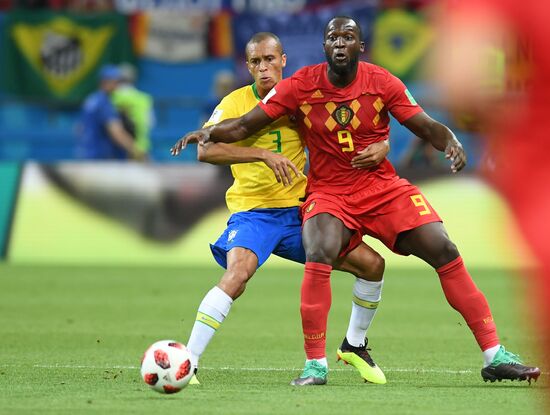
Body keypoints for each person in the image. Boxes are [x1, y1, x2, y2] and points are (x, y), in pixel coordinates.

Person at [171, 17, 541, 386]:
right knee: (316, 251)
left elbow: (423, 124)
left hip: (380, 188)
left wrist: (449, 141)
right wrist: (206, 132)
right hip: (322, 194)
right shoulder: (298, 88)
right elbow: (241, 127)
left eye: (348, 37)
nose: (340, 43)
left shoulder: (382, 81)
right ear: (324, 46)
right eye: (333, 37)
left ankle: (490, 355)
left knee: (439, 249)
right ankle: (313, 365)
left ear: (360, 47)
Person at [176, 32, 391, 386]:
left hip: (299, 214)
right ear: (247, 66)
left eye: (270, 60)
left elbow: (346, 128)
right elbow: (205, 149)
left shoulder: (302, 99)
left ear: (283, 61)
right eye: (256, 62)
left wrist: (382, 142)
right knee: (237, 275)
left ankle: (353, 344)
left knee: (372, 265)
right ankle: (189, 361)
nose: (263, 68)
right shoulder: (234, 103)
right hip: (253, 213)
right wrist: (261, 153)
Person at [433, 0, 549, 393]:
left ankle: (493, 354)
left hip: (539, 187)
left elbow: (460, 83)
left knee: (442, 250)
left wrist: (514, 130)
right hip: (337, 194)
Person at [77, 64, 146, 160]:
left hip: (86, 154)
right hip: (100, 158)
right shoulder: (104, 103)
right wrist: (137, 151)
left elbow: (79, 128)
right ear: (106, 82)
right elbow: (116, 132)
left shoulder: (91, 100)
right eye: (115, 82)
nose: (117, 86)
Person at [111, 63, 154, 156]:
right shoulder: (144, 98)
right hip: (141, 148)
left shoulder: (111, 98)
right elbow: (150, 123)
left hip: (117, 149)